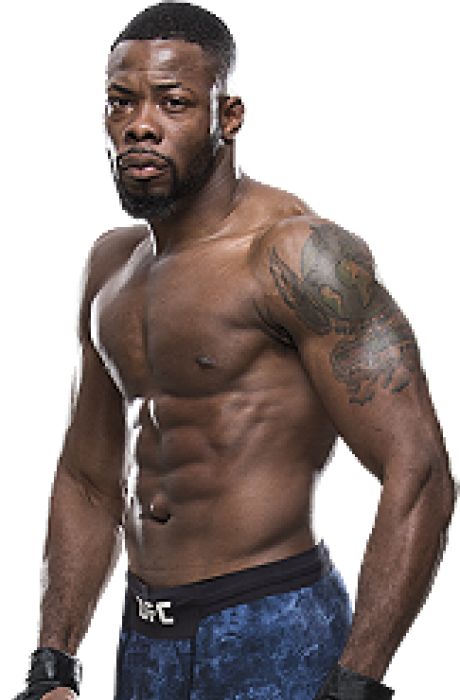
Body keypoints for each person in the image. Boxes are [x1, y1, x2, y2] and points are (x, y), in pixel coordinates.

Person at [15, 2, 456, 699]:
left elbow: (419, 470)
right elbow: (87, 477)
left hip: (273, 626)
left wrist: (359, 680)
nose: (140, 125)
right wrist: (54, 659)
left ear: (229, 117)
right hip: (144, 639)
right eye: (122, 101)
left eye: (173, 102)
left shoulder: (296, 256)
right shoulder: (110, 267)